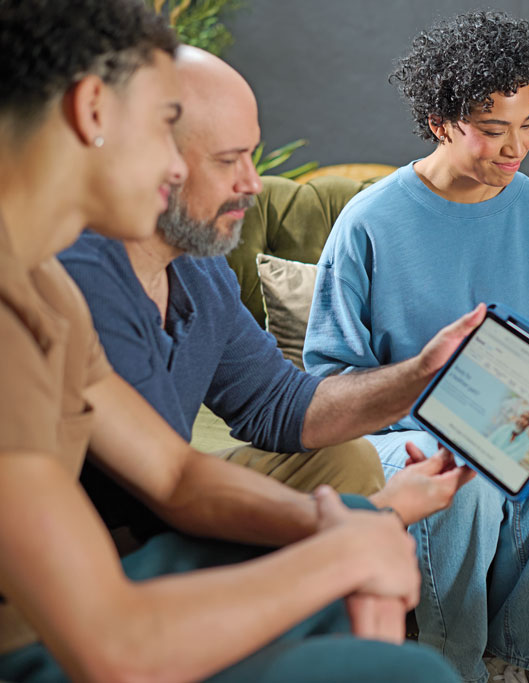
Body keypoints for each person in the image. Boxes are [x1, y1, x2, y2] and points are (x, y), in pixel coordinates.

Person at [0, 2, 466, 680]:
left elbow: (177, 471)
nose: (174, 165)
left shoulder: (45, 287)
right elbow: (112, 649)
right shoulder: (34, 304)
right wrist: (348, 549)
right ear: (93, 110)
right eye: (167, 125)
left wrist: (349, 524)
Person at [58, 45, 479, 546]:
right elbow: (168, 485)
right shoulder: (77, 275)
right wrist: (374, 517)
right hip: (91, 540)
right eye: (227, 160)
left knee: (343, 460)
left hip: (165, 503)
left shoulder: (200, 268)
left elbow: (276, 403)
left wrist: (423, 374)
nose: (252, 184)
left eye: (250, 156)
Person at [303, 11, 529, 682]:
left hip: (513, 425)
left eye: (527, 125)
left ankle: (519, 658)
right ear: (441, 122)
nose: (516, 148)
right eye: (494, 131)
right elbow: (328, 377)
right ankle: (451, 662)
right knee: (459, 479)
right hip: (398, 431)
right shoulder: (370, 221)